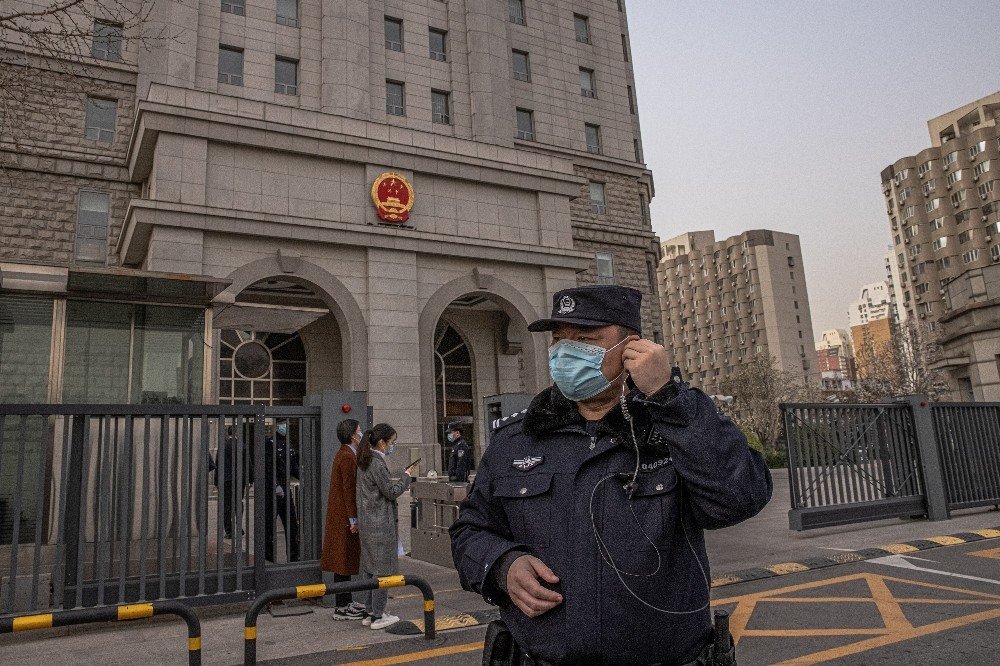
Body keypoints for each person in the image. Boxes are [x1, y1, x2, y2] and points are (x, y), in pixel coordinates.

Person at [450, 285, 773, 665]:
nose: (565, 353)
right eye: (559, 341)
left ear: (632, 348)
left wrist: (668, 398)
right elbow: (469, 529)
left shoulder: (673, 426)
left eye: (585, 339)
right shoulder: (517, 439)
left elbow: (739, 498)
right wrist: (501, 565)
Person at [355, 423, 418, 630]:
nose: (393, 446)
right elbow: (391, 491)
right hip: (379, 524)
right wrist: (406, 476)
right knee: (382, 571)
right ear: (381, 442)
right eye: (392, 443)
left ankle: (369, 610)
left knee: (368, 569)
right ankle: (378, 615)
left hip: (367, 522)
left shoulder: (364, 460)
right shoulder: (377, 463)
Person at [320, 418, 367, 621]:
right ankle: (341, 606)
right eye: (358, 430)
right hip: (344, 518)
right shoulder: (347, 457)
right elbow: (349, 489)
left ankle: (346, 600)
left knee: (344, 560)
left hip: (342, 516)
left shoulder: (346, 454)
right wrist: (353, 519)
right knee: (342, 561)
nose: (361, 433)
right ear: (351, 435)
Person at [264, 420, 300, 563]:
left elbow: (293, 467)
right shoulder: (270, 443)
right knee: (268, 526)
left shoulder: (288, 445)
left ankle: (293, 555)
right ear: (277, 426)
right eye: (282, 424)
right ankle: (268, 555)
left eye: (286, 424)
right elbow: (267, 467)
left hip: (285, 488)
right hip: (273, 491)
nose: (285, 427)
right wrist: (275, 485)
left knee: (291, 524)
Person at [214, 425, 250, 540]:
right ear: (237, 433)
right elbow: (248, 464)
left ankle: (229, 531)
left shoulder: (223, 446)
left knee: (227, 506)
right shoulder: (243, 446)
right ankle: (239, 528)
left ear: (227, 433)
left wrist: (216, 481)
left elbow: (218, 464)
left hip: (226, 479)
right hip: (239, 480)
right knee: (238, 503)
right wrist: (250, 479)